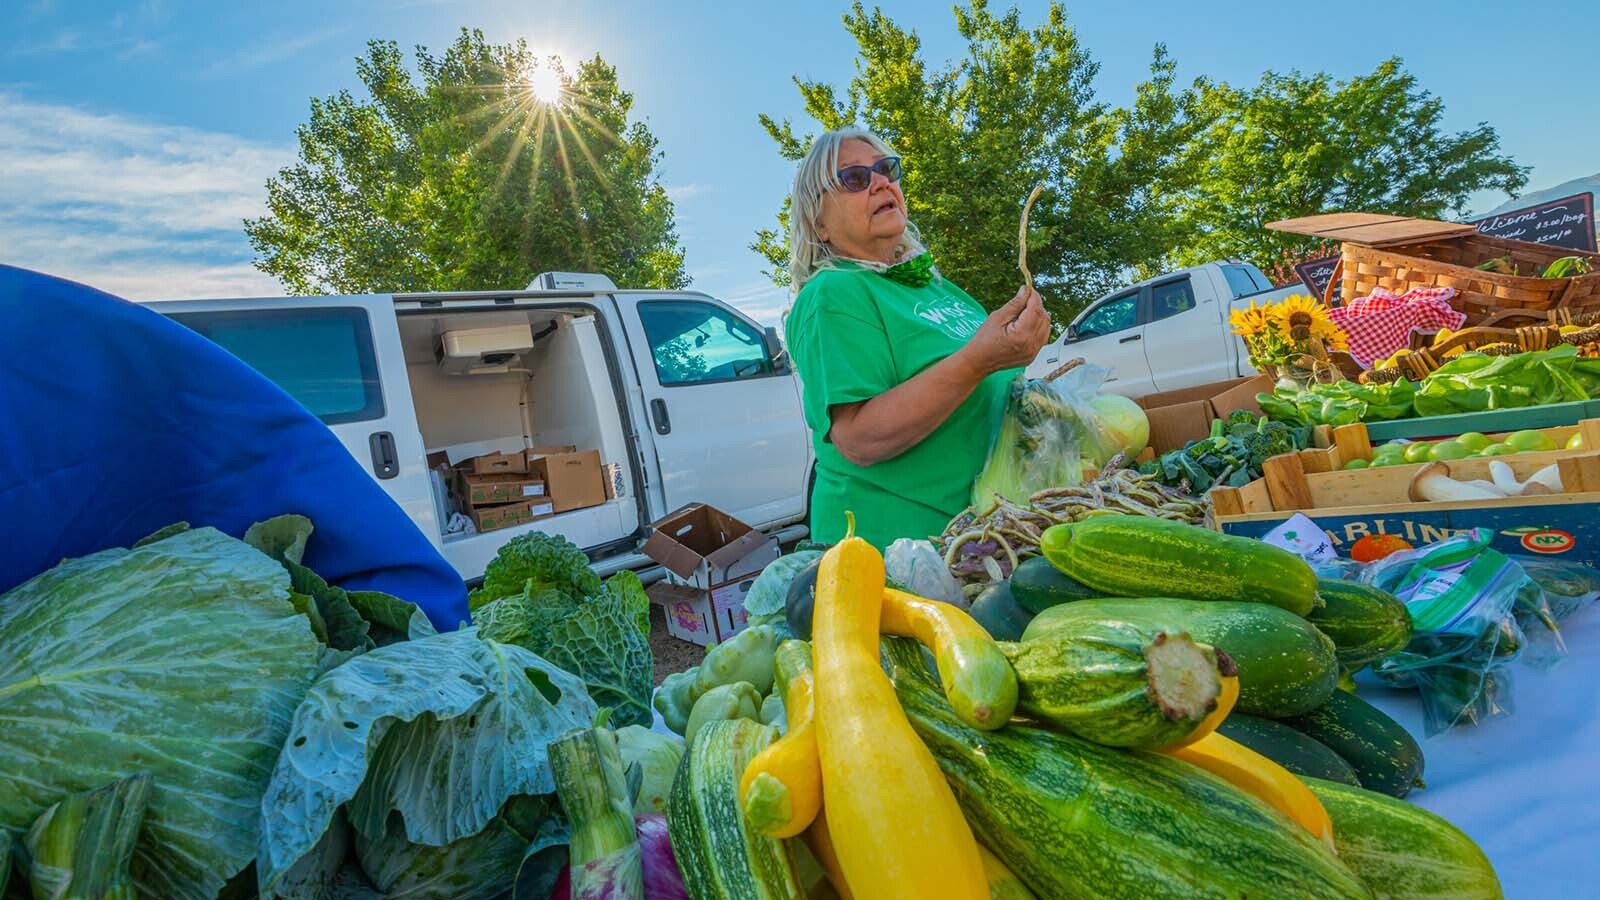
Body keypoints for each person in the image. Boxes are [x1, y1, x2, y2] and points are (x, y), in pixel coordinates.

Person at [784, 127, 1051, 550]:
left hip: (985, 540)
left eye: (887, 169)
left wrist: (1017, 352)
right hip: (900, 555)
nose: (880, 182)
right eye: (855, 178)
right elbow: (859, 438)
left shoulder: (935, 287)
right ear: (819, 221)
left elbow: (981, 383)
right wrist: (979, 360)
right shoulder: (832, 294)